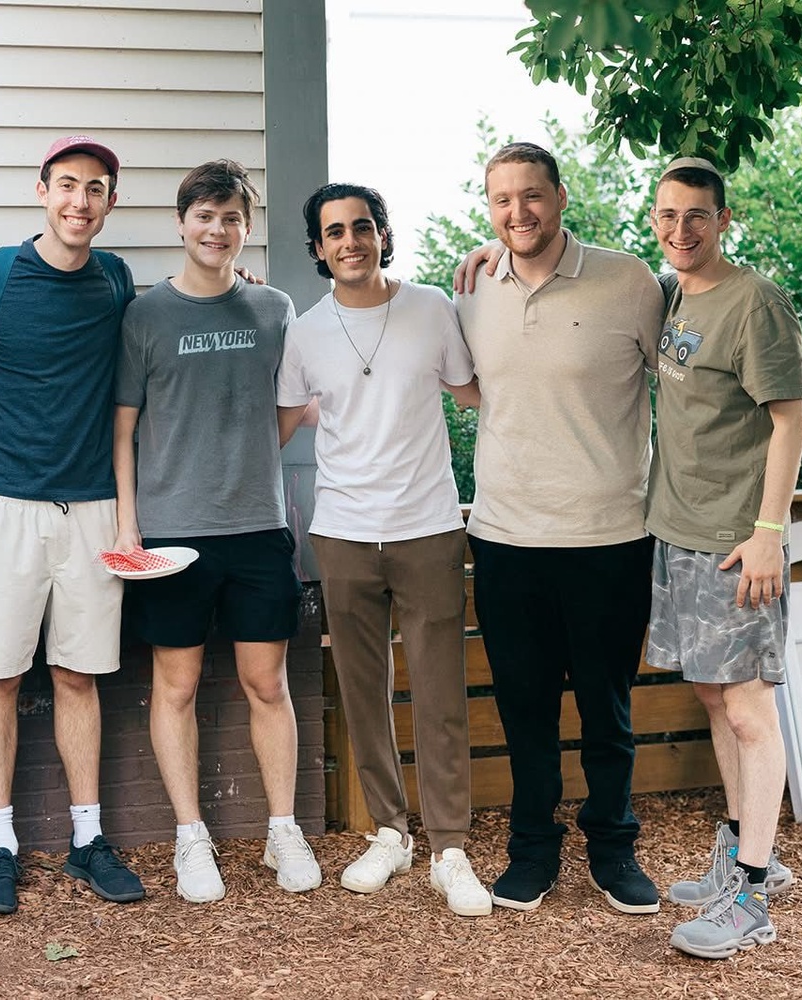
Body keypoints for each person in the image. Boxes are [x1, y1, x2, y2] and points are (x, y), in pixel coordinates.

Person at [453, 142, 664, 915]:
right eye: (503, 200)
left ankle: (614, 851)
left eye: (533, 196)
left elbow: (684, 383)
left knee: (607, 710)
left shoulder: (629, 280)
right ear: (489, 208)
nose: (519, 213)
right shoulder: (472, 289)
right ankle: (533, 853)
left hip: (609, 535)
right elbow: (472, 391)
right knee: (525, 710)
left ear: (561, 196)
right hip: (506, 538)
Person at [276, 182, 491, 917]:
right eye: (333, 231)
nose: (349, 241)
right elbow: (277, 423)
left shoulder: (432, 306)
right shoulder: (302, 331)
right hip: (342, 532)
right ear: (317, 248)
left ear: (382, 233)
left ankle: (451, 848)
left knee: (439, 692)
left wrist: (495, 271)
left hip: (428, 525)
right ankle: (390, 833)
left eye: (361, 227)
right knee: (363, 691)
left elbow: (476, 393)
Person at [113, 160, 318, 903]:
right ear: (181, 223)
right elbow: (124, 426)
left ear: (246, 228)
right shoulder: (146, 315)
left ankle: (282, 830)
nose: (217, 229)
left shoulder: (275, 310)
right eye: (204, 216)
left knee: (268, 682)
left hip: (259, 526)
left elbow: (296, 404)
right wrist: (129, 525)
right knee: (177, 683)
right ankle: (190, 838)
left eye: (231, 217)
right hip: (171, 533)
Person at [0, 136, 144, 913]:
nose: (80, 201)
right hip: (1, 502)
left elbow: (149, 360)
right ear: (41, 191)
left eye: (95, 189)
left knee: (78, 674)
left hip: (94, 504)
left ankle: (86, 838)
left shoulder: (117, 280)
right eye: (67, 185)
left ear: (109, 203)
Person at [641, 157, 802, 959]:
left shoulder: (755, 302)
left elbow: (790, 419)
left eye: (697, 216)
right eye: (668, 215)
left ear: (724, 219)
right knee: (714, 697)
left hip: (736, 544)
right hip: (678, 530)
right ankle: (746, 856)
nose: (682, 231)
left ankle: (750, 897)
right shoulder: (674, 293)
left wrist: (768, 530)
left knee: (747, 708)